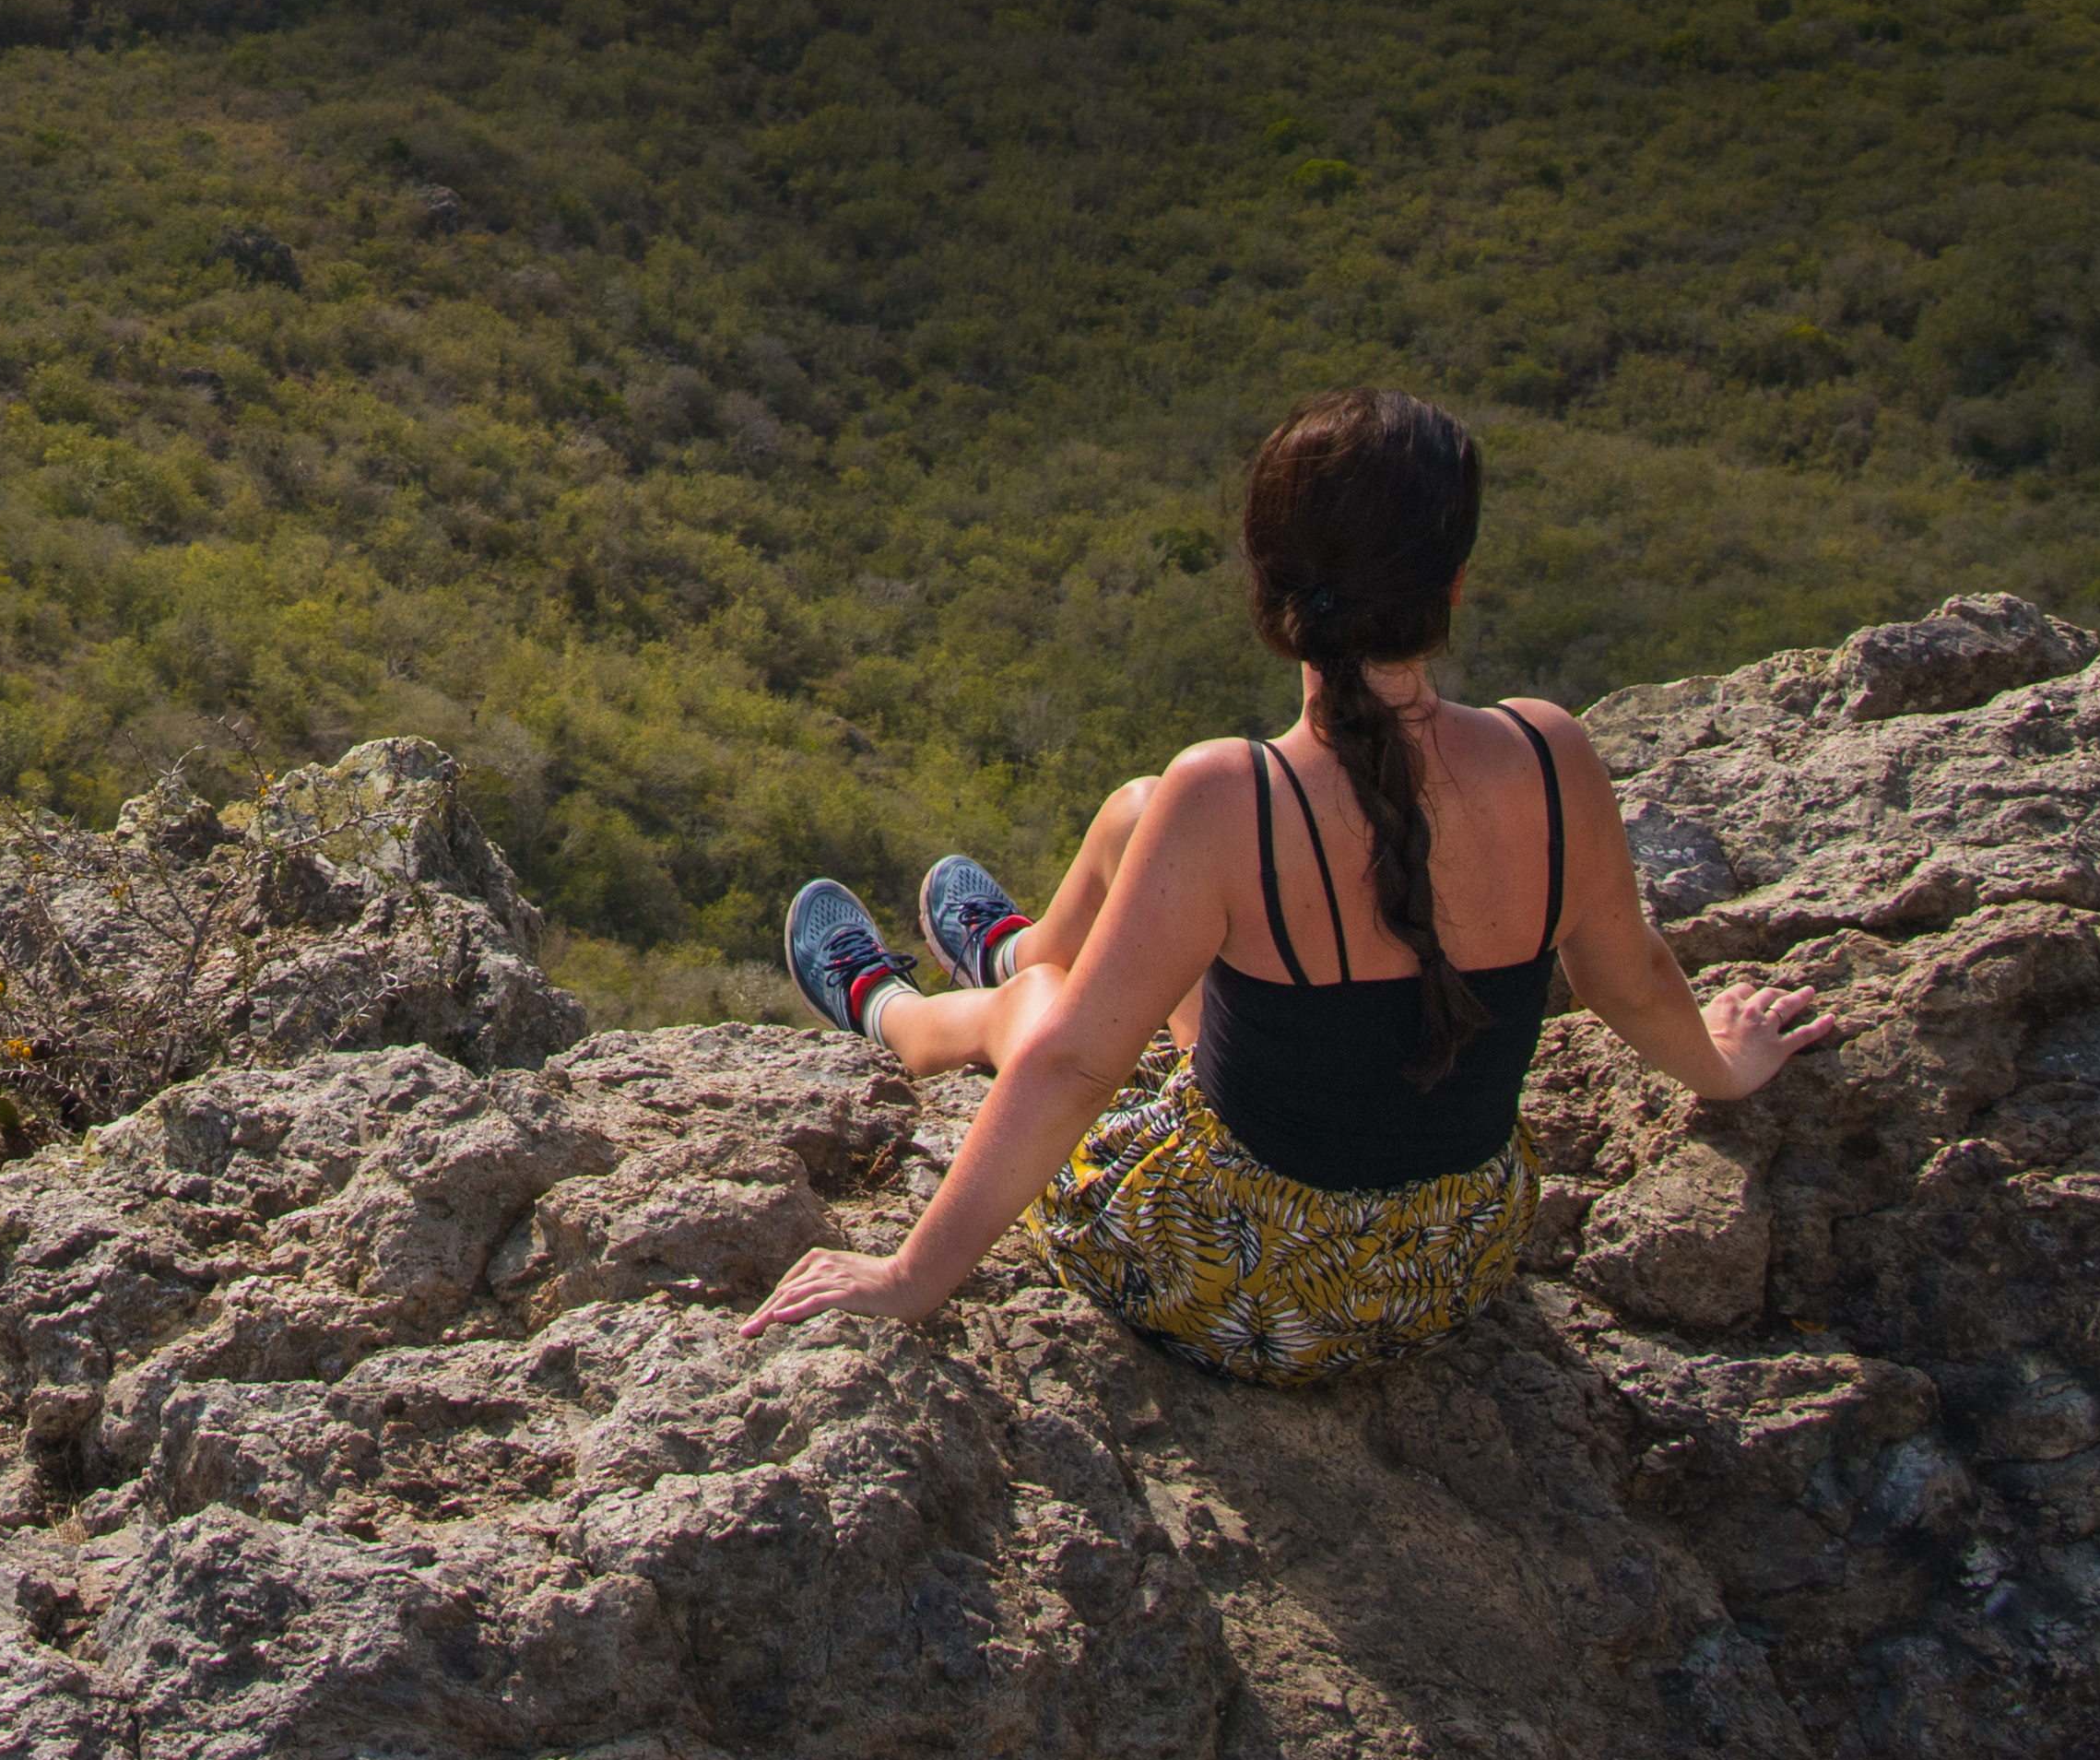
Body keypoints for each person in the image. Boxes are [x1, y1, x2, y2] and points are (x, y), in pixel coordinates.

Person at [744, 385, 1842, 1387]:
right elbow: (1633, 978)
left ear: (1267, 594)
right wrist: (1722, 1068)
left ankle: (895, 1010)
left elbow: (1077, 1065)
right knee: (1135, 814)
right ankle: (1014, 944)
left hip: (1242, 1286)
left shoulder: (1231, 797)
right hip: (1448, 1266)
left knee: (1048, 1015)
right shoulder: (1551, 757)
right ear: (1452, 587)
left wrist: (907, 1277)